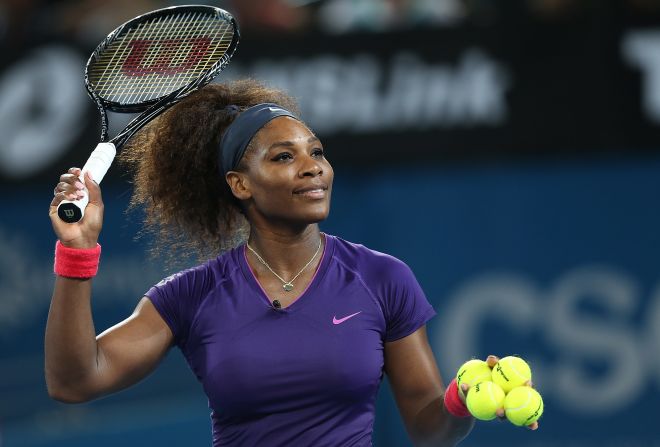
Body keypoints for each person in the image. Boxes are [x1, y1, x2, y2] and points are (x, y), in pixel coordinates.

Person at [46, 79, 535, 446]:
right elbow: (73, 380)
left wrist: (462, 399)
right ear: (240, 184)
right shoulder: (191, 295)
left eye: (316, 152)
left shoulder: (382, 279)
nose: (313, 167)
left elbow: (428, 427)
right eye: (283, 157)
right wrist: (77, 251)